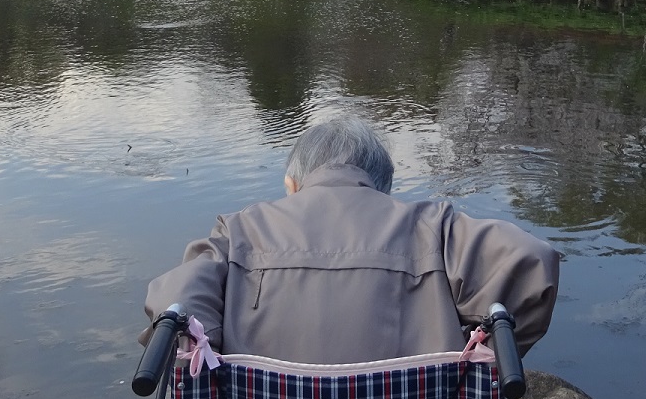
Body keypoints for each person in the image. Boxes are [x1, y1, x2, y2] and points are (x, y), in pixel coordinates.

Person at [144, 116, 559, 363]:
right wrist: (482, 348)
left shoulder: (239, 231)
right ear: (384, 190)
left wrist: (201, 344)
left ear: (292, 185)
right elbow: (531, 261)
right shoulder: (434, 226)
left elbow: (175, 306)